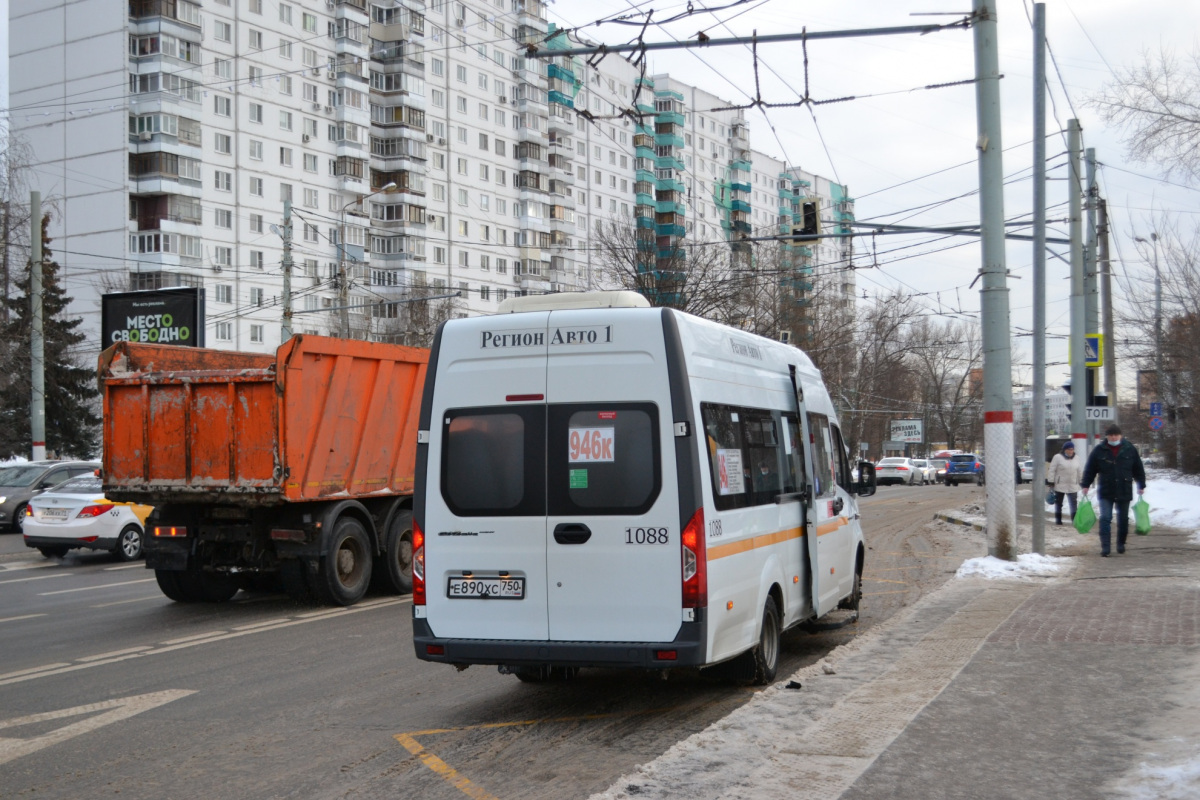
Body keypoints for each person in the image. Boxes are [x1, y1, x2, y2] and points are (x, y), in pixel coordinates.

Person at [1080, 424, 1147, 557]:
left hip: (1124, 488)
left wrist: (1141, 485)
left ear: (1120, 436)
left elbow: (1138, 468)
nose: (1113, 437)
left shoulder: (1129, 449)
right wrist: (1086, 484)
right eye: (1111, 435)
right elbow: (1090, 469)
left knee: (1123, 519)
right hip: (1106, 489)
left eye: (1116, 435)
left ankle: (1121, 543)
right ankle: (1105, 547)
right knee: (1105, 517)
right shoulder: (1099, 450)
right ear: (1107, 436)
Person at [1046, 441, 1082, 525]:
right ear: (1064, 450)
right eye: (1069, 449)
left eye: (1072, 449)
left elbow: (1079, 470)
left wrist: (1081, 480)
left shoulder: (1076, 458)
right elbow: (1052, 469)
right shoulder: (1057, 457)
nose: (1071, 451)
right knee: (1059, 503)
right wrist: (1051, 481)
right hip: (1060, 484)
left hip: (1073, 484)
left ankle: (1074, 521)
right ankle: (1058, 520)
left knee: (1073, 503)